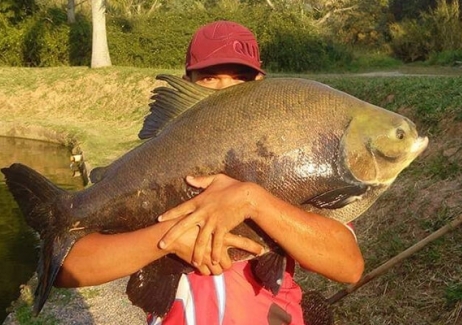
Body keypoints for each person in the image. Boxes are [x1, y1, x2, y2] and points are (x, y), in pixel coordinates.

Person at [55, 21, 364, 324]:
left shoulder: (289, 161)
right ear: (187, 82)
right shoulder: (151, 171)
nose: (225, 89)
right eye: (210, 78)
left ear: (260, 86)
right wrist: (168, 239)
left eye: (239, 78)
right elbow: (69, 268)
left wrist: (253, 200)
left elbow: (348, 266)